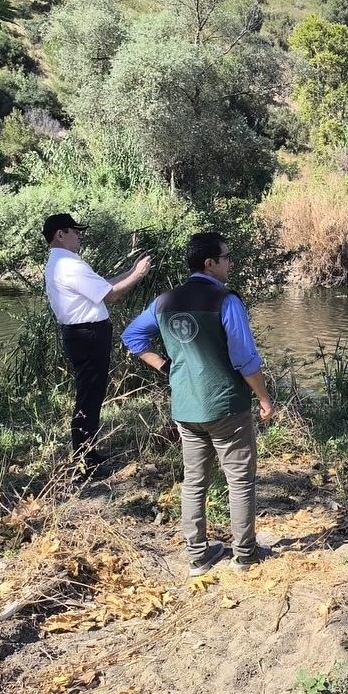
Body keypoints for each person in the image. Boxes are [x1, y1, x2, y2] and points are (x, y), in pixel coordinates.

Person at [121, 231, 275, 577]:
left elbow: (132, 336)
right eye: (226, 257)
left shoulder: (164, 301)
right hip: (227, 406)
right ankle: (245, 556)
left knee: (194, 482)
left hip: (187, 408)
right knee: (240, 481)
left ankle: (197, 557)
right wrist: (264, 398)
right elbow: (245, 358)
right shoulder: (225, 300)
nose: (230, 263)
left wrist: (166, 367)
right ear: (210, 263)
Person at [42, 212, 152, 473]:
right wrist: (138, 275)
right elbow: (111, 296)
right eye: (75, 231)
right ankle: (85, 461)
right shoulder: (68, 265)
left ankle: (88, 454)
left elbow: (102, 287)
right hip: (87, 335)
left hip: (83, 334)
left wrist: (131, 271)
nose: (79, 235)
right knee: (89, 396)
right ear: (60, 234)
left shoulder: (63, 262)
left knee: (91, 394)